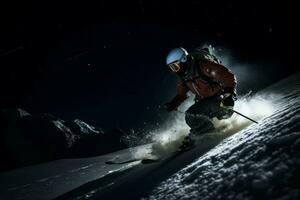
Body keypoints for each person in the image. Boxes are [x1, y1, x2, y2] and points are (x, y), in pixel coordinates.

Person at [164, 47, 237, 146]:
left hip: (222, 103)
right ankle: (201, 131)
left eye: (175, 66)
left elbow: (227, 75)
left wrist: (229, 96)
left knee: (192, 114)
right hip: (207, 105)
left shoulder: (203, 66)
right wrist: (174, 103)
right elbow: (182, 93)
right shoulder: (185, 77)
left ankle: (205, 133)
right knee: (192, 116)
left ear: (184, 60)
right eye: (172, 68)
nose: (175, 71)